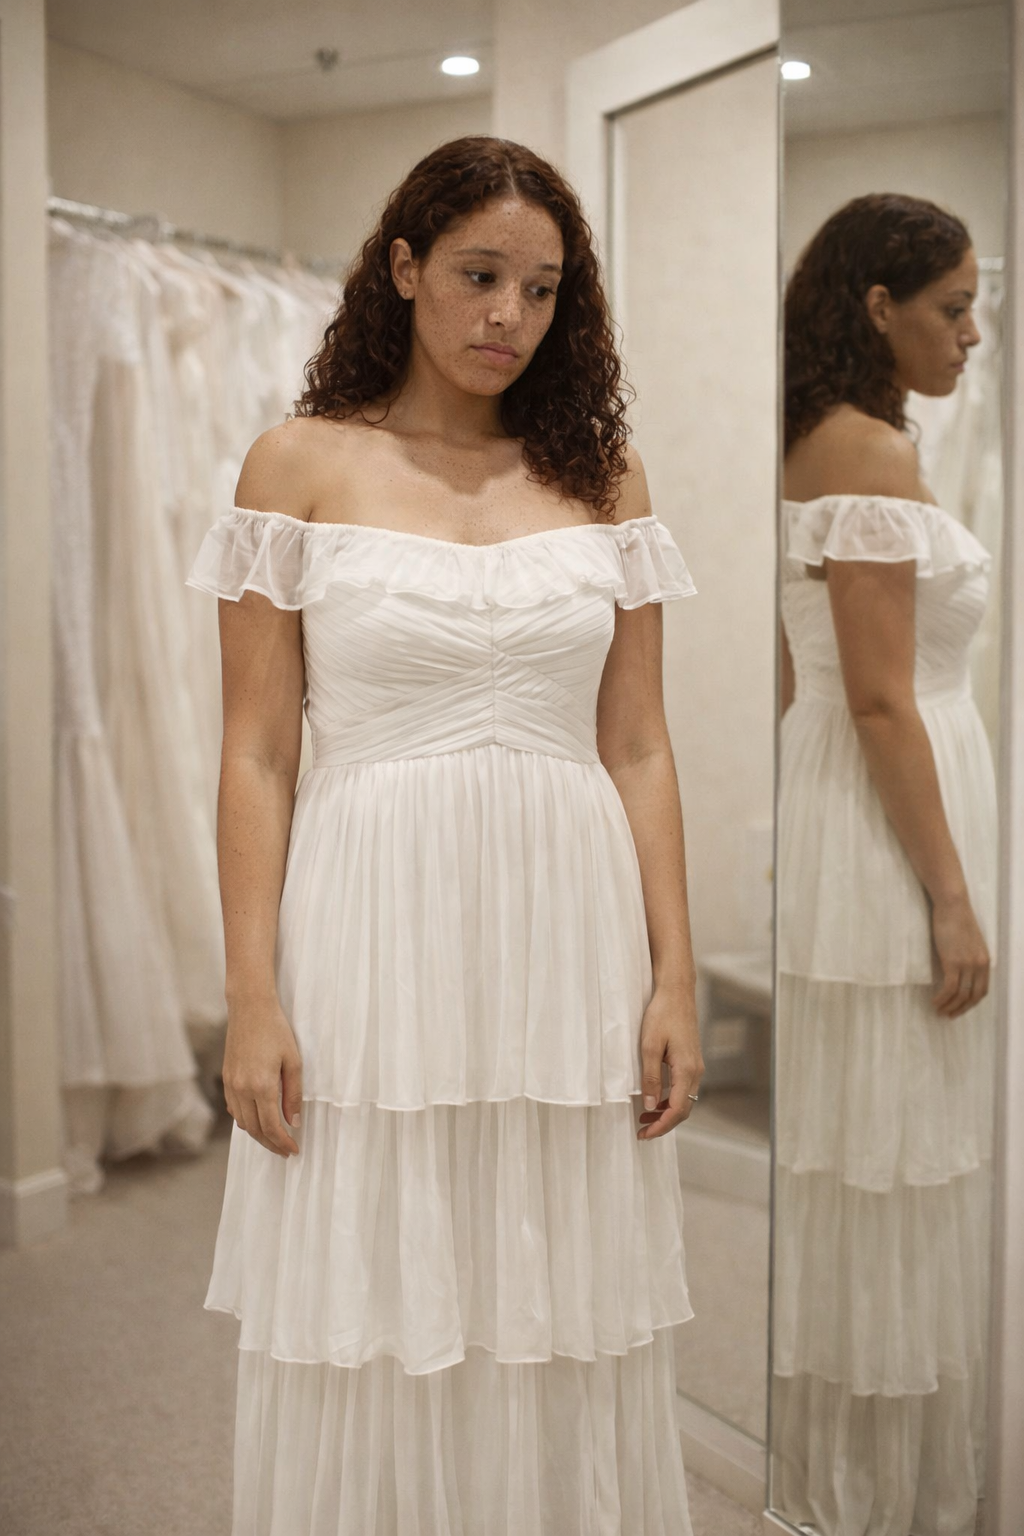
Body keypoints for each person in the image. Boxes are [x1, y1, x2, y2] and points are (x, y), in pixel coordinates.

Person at [186, 135, 703, 1535]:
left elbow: (641, 741)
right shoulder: (296, 465)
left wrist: (674, 974)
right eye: (481, 276)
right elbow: (255, 749)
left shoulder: (605, 476)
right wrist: (250, 997)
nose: (508, 320)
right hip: (368, 917)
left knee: (555, 1278)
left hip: (568, 920)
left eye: (543, 290)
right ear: (405, 269)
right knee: (378, 1268)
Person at [773, 192, 997, 1536]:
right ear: (877, 307)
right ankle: (870, 1498)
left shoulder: (825, 436)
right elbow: (874, 699)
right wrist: (953, 894)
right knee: (894, 1151)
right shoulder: (864, 454)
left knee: (876, 1149)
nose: (973, 336)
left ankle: (863, 1476)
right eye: (954, 308)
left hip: (871, 798)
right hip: (890, 818)